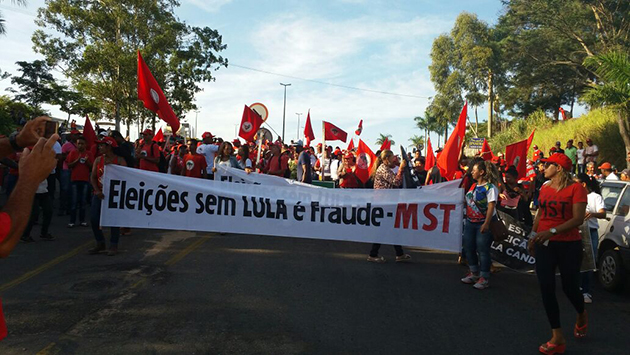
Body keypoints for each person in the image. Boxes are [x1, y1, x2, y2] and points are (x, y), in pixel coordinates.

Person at [528, 153, 588, 355]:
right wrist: (534, 235)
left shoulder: (576, 189)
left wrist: (552, 231)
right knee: (546, 287)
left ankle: (581, 314)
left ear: (559, 168)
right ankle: (557, 336)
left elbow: (578, 219)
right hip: (545, 243)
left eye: (547, 165)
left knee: (570, 287)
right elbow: (541, 213)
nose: (543, 167)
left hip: (569, 244)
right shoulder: (544, 188)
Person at [461, 161, 500, 290]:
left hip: (482, 223)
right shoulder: (472, 186)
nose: (472, 172)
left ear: (482, 172)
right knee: (468, 247)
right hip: (470, 222)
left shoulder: (490, 188)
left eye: (474, 170)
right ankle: (474, 272)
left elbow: (491, 206)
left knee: (482, 250)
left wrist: (487, 223)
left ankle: (484, 277)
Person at [367, 150, 411, 263]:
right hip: (384, 203)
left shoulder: (386, 168)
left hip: (387, 202)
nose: (394, 161)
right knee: (384, 229)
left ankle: (399, 253)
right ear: (386, 159)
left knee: (392, 229)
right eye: (392, 159)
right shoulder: (383, 169)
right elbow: (396, 182)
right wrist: (401, 169)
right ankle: (373, 254)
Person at [90, 137, 127, 256]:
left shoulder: (120, 161)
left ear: (109, 147)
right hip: (99, 194)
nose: (99, 147)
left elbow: (126, 178)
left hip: (114, 195)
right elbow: (93, 177)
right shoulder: (98, 160)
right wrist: (96, 190)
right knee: (94, 219)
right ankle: (100, 242)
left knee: (113, 220)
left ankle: (113, 245)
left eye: (102, 145)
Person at [575, 173, 605, 304]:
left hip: (590, 232)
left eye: (576, 183)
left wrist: (592, 214)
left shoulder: (595, 197)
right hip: (575, 231)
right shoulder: (573, 196)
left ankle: (585, 291)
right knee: (575, 261)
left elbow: (603, 213)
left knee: (588, 263)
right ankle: (575, 287)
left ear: (583, 184)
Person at [66, 136, 94, 228]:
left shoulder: (88, 154)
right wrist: (77, 160)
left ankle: (82, 220)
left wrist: (86, 162)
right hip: (75, 179)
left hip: (85, 180)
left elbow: (91, 167)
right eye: (78, 144)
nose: (80, 145)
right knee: (74, 202)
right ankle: (72, 221)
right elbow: (69, 165)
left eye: (82, 144)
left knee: (83, 202)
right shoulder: (73, 153)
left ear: (85, 145)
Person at [59, 130, 80, 215]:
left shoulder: (80, 145)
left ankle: (70, 208)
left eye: (78, 135)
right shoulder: (66, 145)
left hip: (76, 170)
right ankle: (62, 208)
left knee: (73, 190)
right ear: (71, 136)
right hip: (66, 169)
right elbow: (61, 157)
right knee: (65, 189)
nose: (77, 137)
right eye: (75, 135)